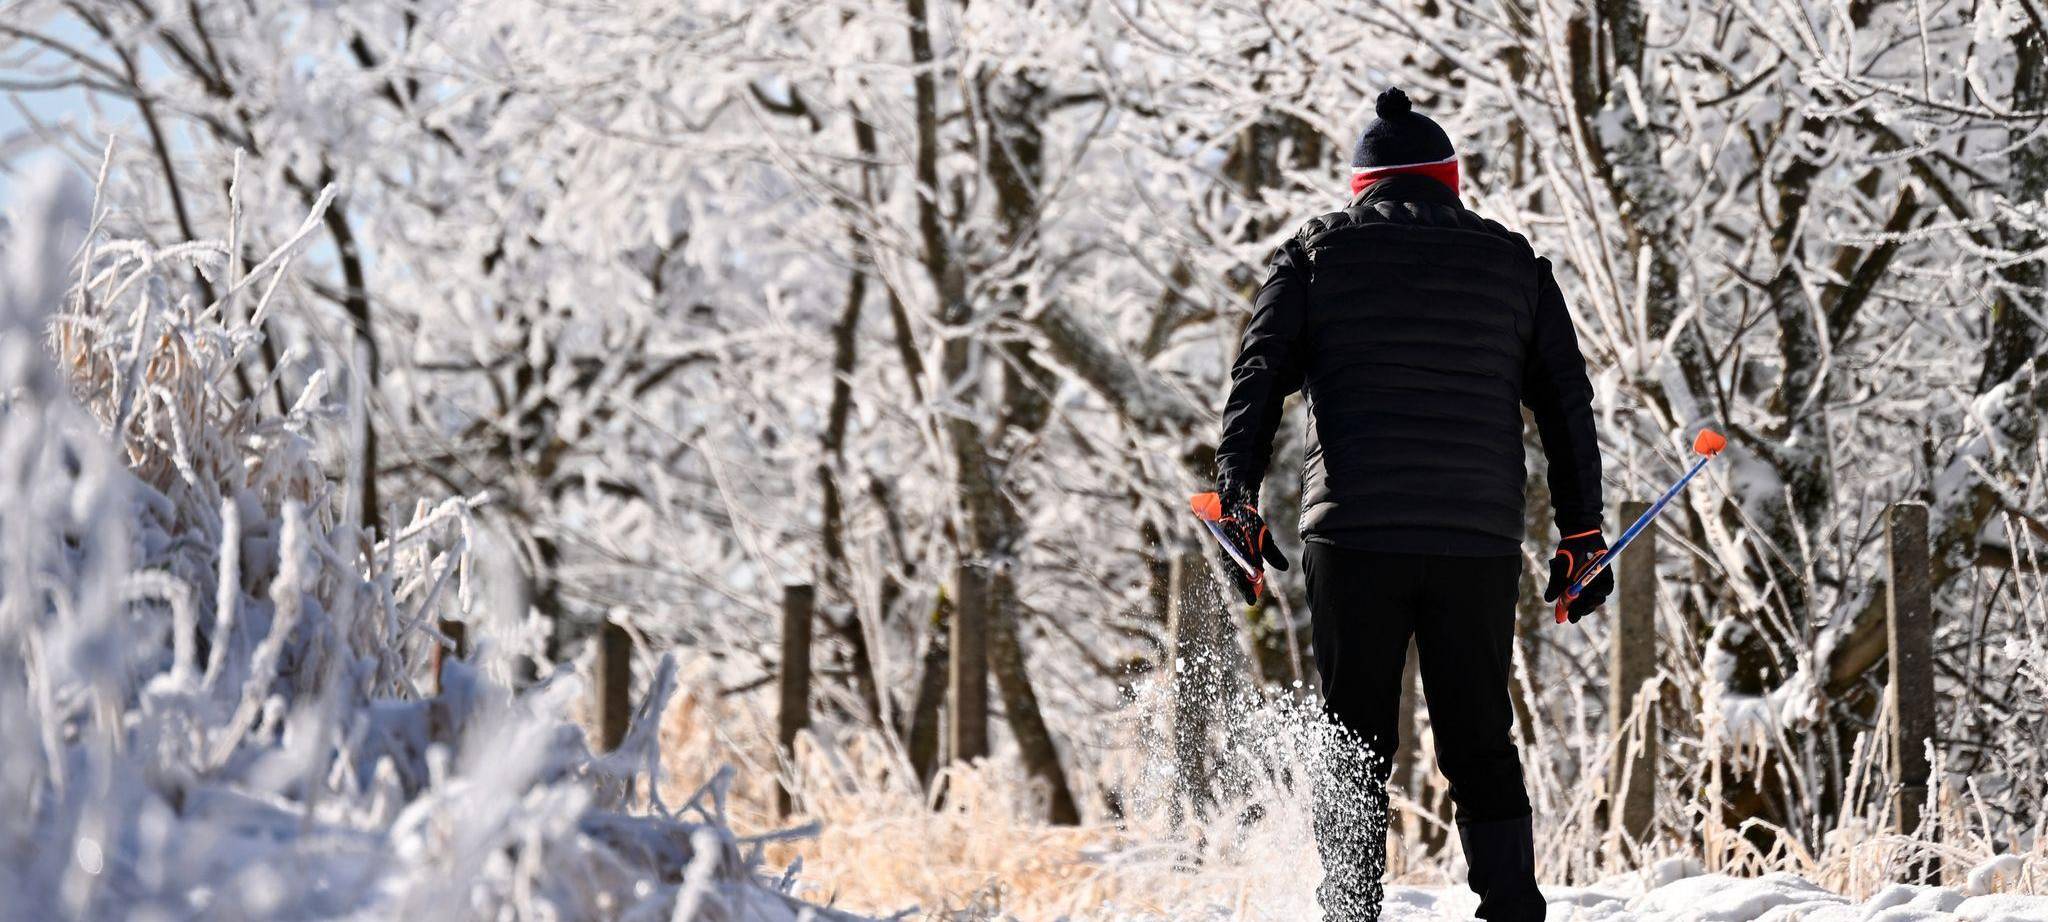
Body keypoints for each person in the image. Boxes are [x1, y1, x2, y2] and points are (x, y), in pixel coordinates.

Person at [1206, 87, 1612, 922]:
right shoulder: (1516, 265)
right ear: (1448, 182)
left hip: (1355, 534)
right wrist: (1582, 532)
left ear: (1362, 187)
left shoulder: (1314, 257)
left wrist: (1237, 502)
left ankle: (1349, 911)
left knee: (1353, 738)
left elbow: (1256, 384)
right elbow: (1568, 406)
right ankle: (1510, 910)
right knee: (1477, 740)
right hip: (1477, 536)